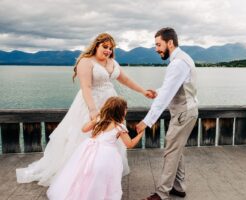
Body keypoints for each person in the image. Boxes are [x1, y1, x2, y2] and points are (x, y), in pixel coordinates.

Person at [16, 33, 156, 186]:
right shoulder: (86, 62)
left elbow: (126, 80)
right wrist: (93, 110)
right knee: (88, 137)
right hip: (91, 102)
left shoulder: (113, 62)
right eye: (105, 46)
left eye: (110, 48)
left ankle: (104, 170)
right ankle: (82, 173)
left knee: (111, 137)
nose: (108, 50)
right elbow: (86, 87)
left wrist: (143, 91)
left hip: (111, 104)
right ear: (96, 45)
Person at [136, 27, 198, 200]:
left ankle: (162, 193)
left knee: (171, 151)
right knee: (176, 149)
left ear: (170, 42)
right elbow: (171, 87)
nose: (156, 49)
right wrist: (157, 91)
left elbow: (164, 98)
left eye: (158, 45)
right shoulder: (182, 59)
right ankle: (178, 187)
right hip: (187, 111)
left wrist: (146, 121)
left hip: (183, 113)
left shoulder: (178, 63)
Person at [47, 96, 144, 200]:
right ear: (120, 111)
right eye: (125, 109)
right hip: (105, 155)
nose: (126, 111)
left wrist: (94, 121)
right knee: (103, 176)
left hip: (88, 151)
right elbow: (129, 144)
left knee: (85, 174)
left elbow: (84, 129)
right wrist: (141, 134)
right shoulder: (119, 127)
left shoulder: (99, 121)